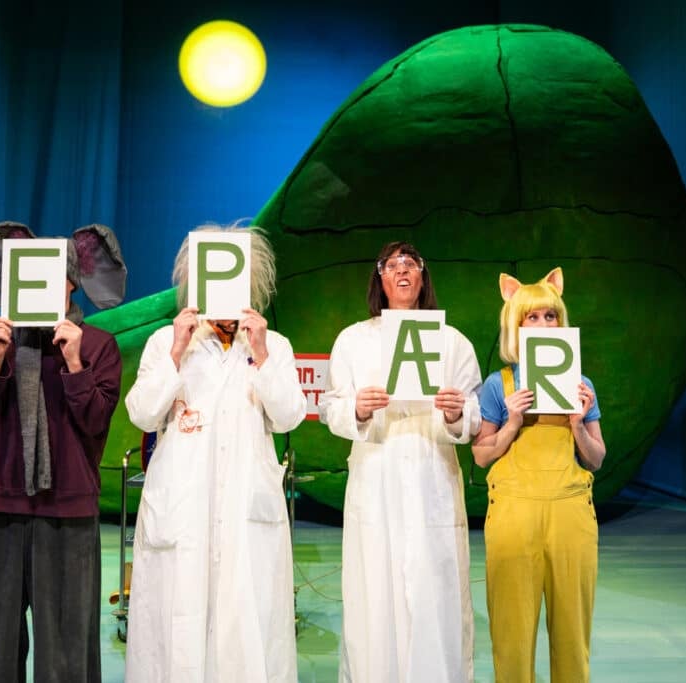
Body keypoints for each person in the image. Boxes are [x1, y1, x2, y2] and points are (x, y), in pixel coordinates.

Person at [124, 224, 306, 683]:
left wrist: (262, 354)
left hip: (246, 508)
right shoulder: (165, 342)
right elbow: (142, 413)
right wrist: (176, 350)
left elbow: (289, 416)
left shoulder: (273, 345)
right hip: (183, 507)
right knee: (177, 626)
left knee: (246, 628)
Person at [0, 222, 127, 683]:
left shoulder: (98, 345)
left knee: (67, 646)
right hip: (2, 505)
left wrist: (74, 363)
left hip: (67, 509)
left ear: (72, 281)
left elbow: (96, 421)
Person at [319, 241, 481, 683]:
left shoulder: (452, 342)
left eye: (411, 263)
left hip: (432, 476)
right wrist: (357, 408)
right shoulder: (354, 339)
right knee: (376, 593)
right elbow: (331, 407)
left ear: (423, 277)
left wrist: (456, 414)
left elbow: (473, 412)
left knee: (435, 594)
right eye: (392, 265)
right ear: (381, 279)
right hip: (377, 476)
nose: (402, 270)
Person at [471, 267, 606, 683]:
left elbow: (597, 458)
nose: (544, 324)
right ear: (516, 325)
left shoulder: (580, 384)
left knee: (573, 631)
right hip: (514, 513)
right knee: (511, 631)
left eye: (551, 316)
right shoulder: (499, 384)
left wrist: (578, 424)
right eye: (533, 316)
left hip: (571, 512)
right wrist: (512, 422)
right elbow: (481, 455)